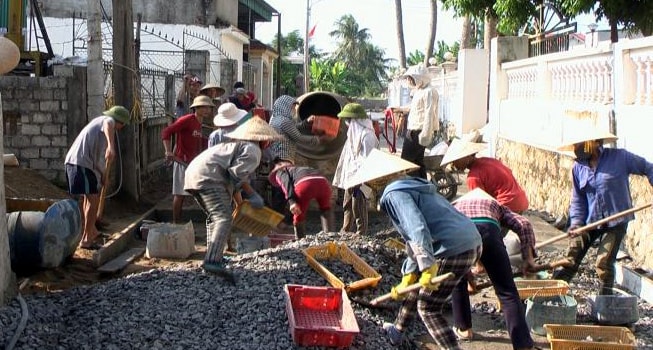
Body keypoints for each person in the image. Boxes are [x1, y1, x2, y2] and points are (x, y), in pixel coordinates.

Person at [346, 149, 482, 349]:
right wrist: (409, 274)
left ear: (375, 181)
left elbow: (417, 228)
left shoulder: (393, 193)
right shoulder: (412, 187)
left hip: (452, 247)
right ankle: (398, 330)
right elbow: (412, 238)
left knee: (428, 308)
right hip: (471, 240)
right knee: (417, 285)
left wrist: (427, 266)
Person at [552, 127, 653, 295]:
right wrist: (576, 222)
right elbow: (578, 200)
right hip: (589, 222)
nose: (577, 149)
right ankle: (552, 293)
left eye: (580, 145)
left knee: (604, 262)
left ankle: (605, 299)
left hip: (616, 220)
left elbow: (648, 167)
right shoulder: (578, 167)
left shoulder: (620, 157)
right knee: (572, 255)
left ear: (593, 143)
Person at [184, 117, 281, 281]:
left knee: (215, 218)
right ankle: (212, 261)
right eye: (269, 140)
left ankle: (214, 256)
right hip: (208, 178)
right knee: (223, 218)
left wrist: (240, 204)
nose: (269, 143)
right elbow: (237, 175)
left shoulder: (239, 146)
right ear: (263, 139)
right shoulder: (253, 150)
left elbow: (234, 181)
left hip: (195, 175)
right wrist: (252, 194)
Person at [451, 188, 538, 349]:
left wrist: (466, 276)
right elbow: (523, 224)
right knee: (507, 292)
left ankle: (464, 329)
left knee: (458, 282)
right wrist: (528, 258)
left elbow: (452, 243)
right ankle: (523, 345)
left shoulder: (453, 206)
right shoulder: (495, 204)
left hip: (460, 234)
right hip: (488, 230)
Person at [64, 105, 131, 250]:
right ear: (120, 122)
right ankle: (87, 238)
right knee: (92, 200)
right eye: (122, 125)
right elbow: (109, 124)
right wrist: (111, 146)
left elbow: (97, 160)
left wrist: (102, 175)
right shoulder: (108, 121)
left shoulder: (98, 131)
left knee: (88, 199)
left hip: (82, 163)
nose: (120, 128)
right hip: (79, 163)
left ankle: (90, 232)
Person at [268, 94, 330, 222]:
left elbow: (294, 129)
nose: (293, 110)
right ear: (285, 107)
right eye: (292, 107)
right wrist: (318, 140)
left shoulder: (276, 120)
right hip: (283, 159)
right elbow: (298, 137)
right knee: (284, 190)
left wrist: (306, 122)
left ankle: (278, 220)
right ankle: (279, 222)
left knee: (281, 190)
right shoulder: (284, 122)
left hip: (276, 158)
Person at [162, 95, 215, 223]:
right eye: (205, 107)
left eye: (209, 107)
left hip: (193, 163)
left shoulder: (199, 122)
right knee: (179, 194)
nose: (208, 110)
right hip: (182, 161)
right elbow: (166, 132)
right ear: (197, 108)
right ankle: (176, 223)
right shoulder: (187, 120)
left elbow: (195, 139)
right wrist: (168, 151)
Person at [440, 138, 529, 214]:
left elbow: (480, 204)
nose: (453, 165)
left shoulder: (473, 177)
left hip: (508, 204)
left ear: (465, 157)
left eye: (455, 161)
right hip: (521, 201)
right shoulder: (489, 160)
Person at [332, 103, 379, 235]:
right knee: (347, 203)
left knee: (358, 204)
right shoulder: (353, 134)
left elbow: (368, 160)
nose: (346, 123)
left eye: (348, 120)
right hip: (351, 175)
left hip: (363, 177)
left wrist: (361, 179)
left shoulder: (367, 136)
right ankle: (345, 229)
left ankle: (361, 232)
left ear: (356, 121)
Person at [268, 158, 334, 239]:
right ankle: (330, 236)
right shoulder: (300, 169)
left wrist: (292, 202)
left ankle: (300, 240)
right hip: (323, 183)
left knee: (298, 214)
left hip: (305, 185)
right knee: (325, 209)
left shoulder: (280, 172)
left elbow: (286, 184)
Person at [400, 63, 439, 179]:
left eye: (410, 78)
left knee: (407, 162)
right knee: (417, 162)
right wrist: (398, 109)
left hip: (418, 131)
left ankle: (413, 185)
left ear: (418, 78)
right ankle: (422, 185)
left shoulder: (429, 91)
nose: (409, 81)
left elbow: (429, 113)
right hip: (414, 130)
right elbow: (415, 109)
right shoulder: (419, 91)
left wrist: (425, 134)